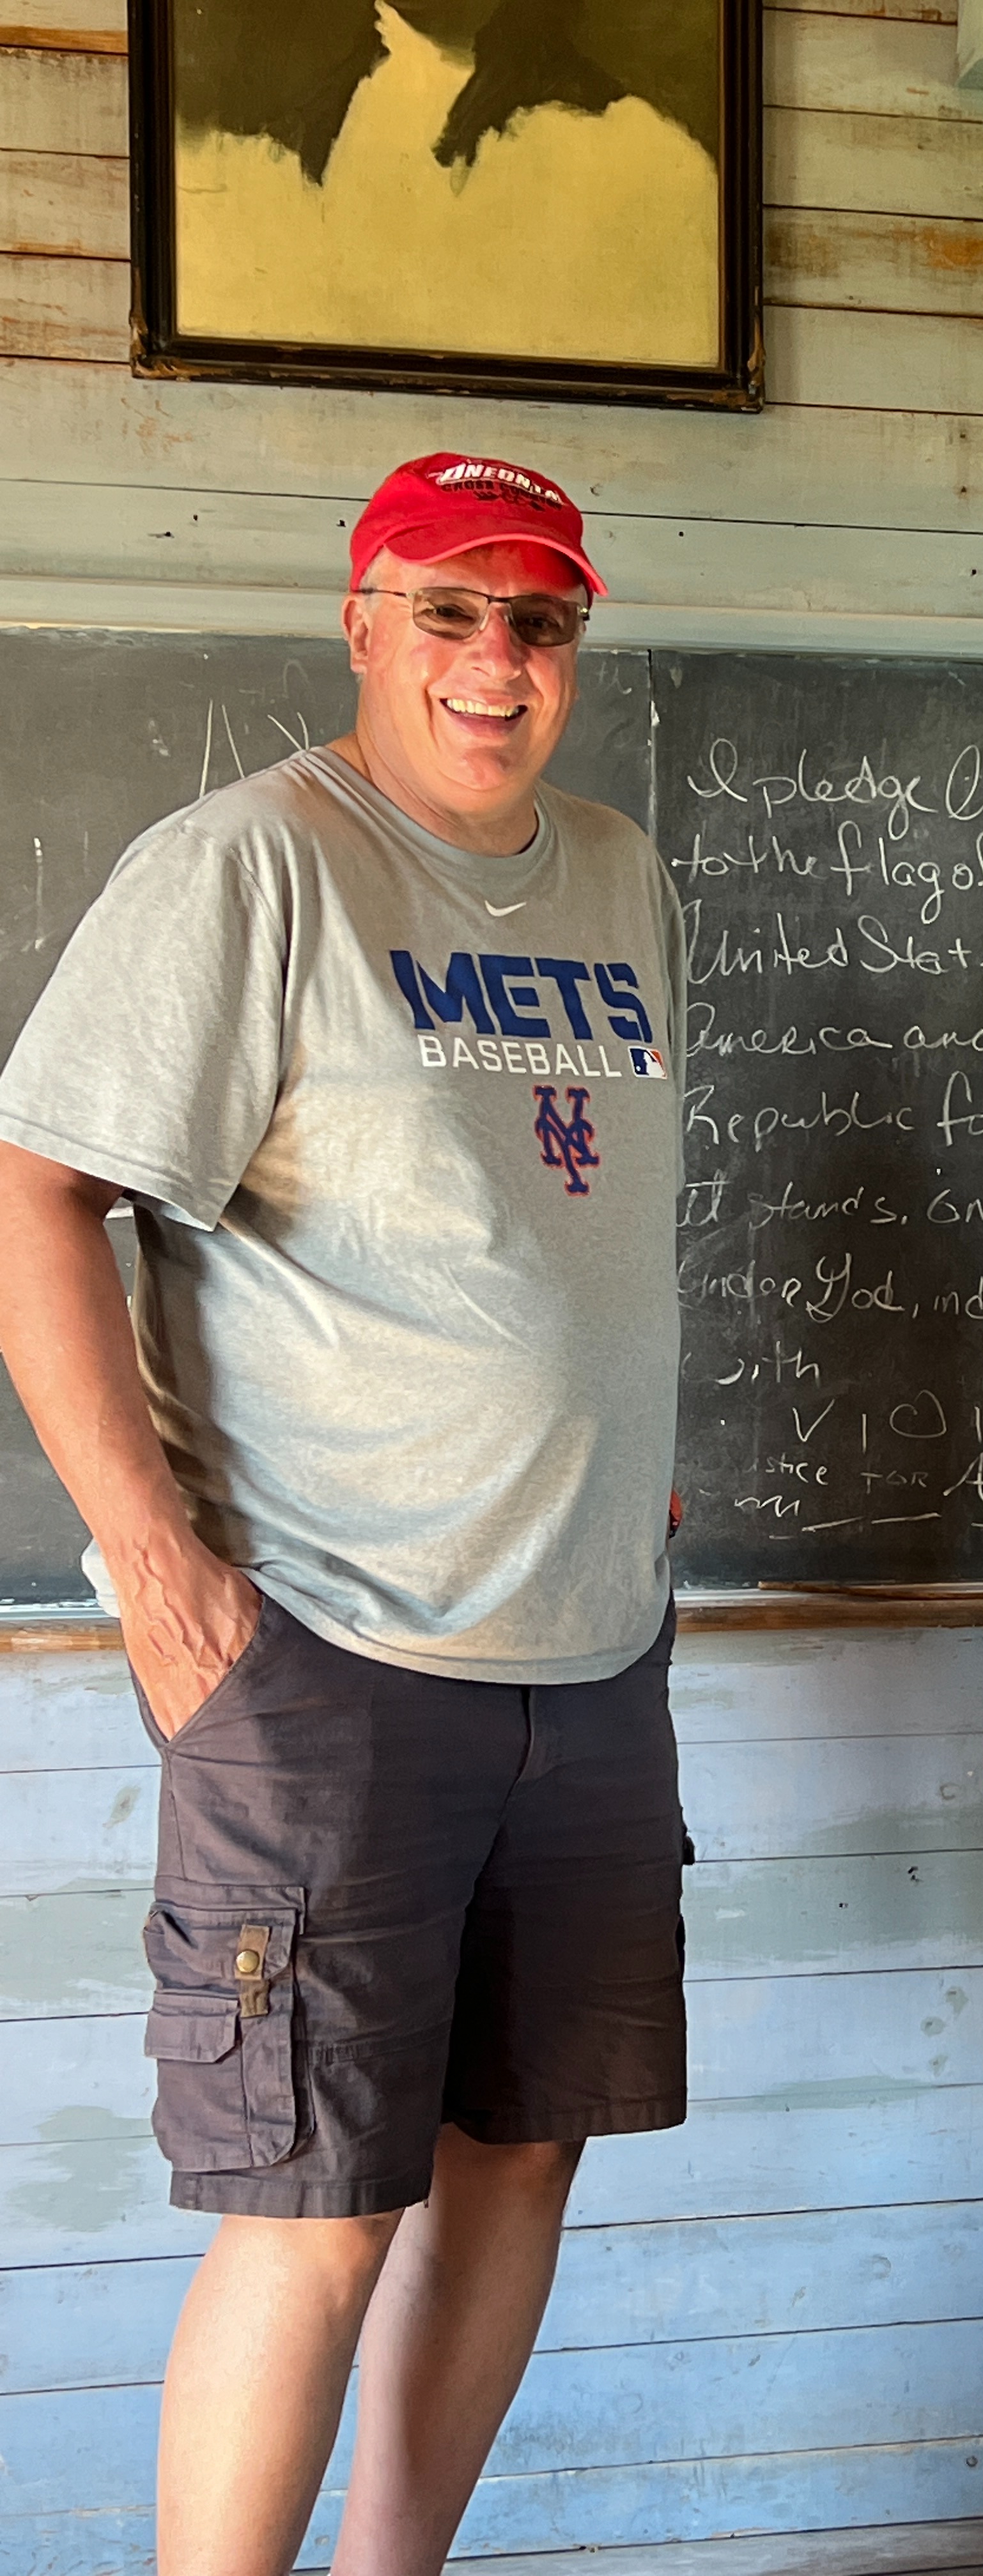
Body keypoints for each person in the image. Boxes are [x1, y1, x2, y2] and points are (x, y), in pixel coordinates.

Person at [0, 451, 687, 2576]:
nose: (500, 660)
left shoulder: (618, 875)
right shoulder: (252, 869)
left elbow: (578, 1217)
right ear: (366, 621)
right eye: (453, 611)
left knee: (521, 2162)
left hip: (587, 1659)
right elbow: (36, 1189)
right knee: (316, 2213)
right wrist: (158, 1563)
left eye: (542, 621)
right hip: (326, 1658)